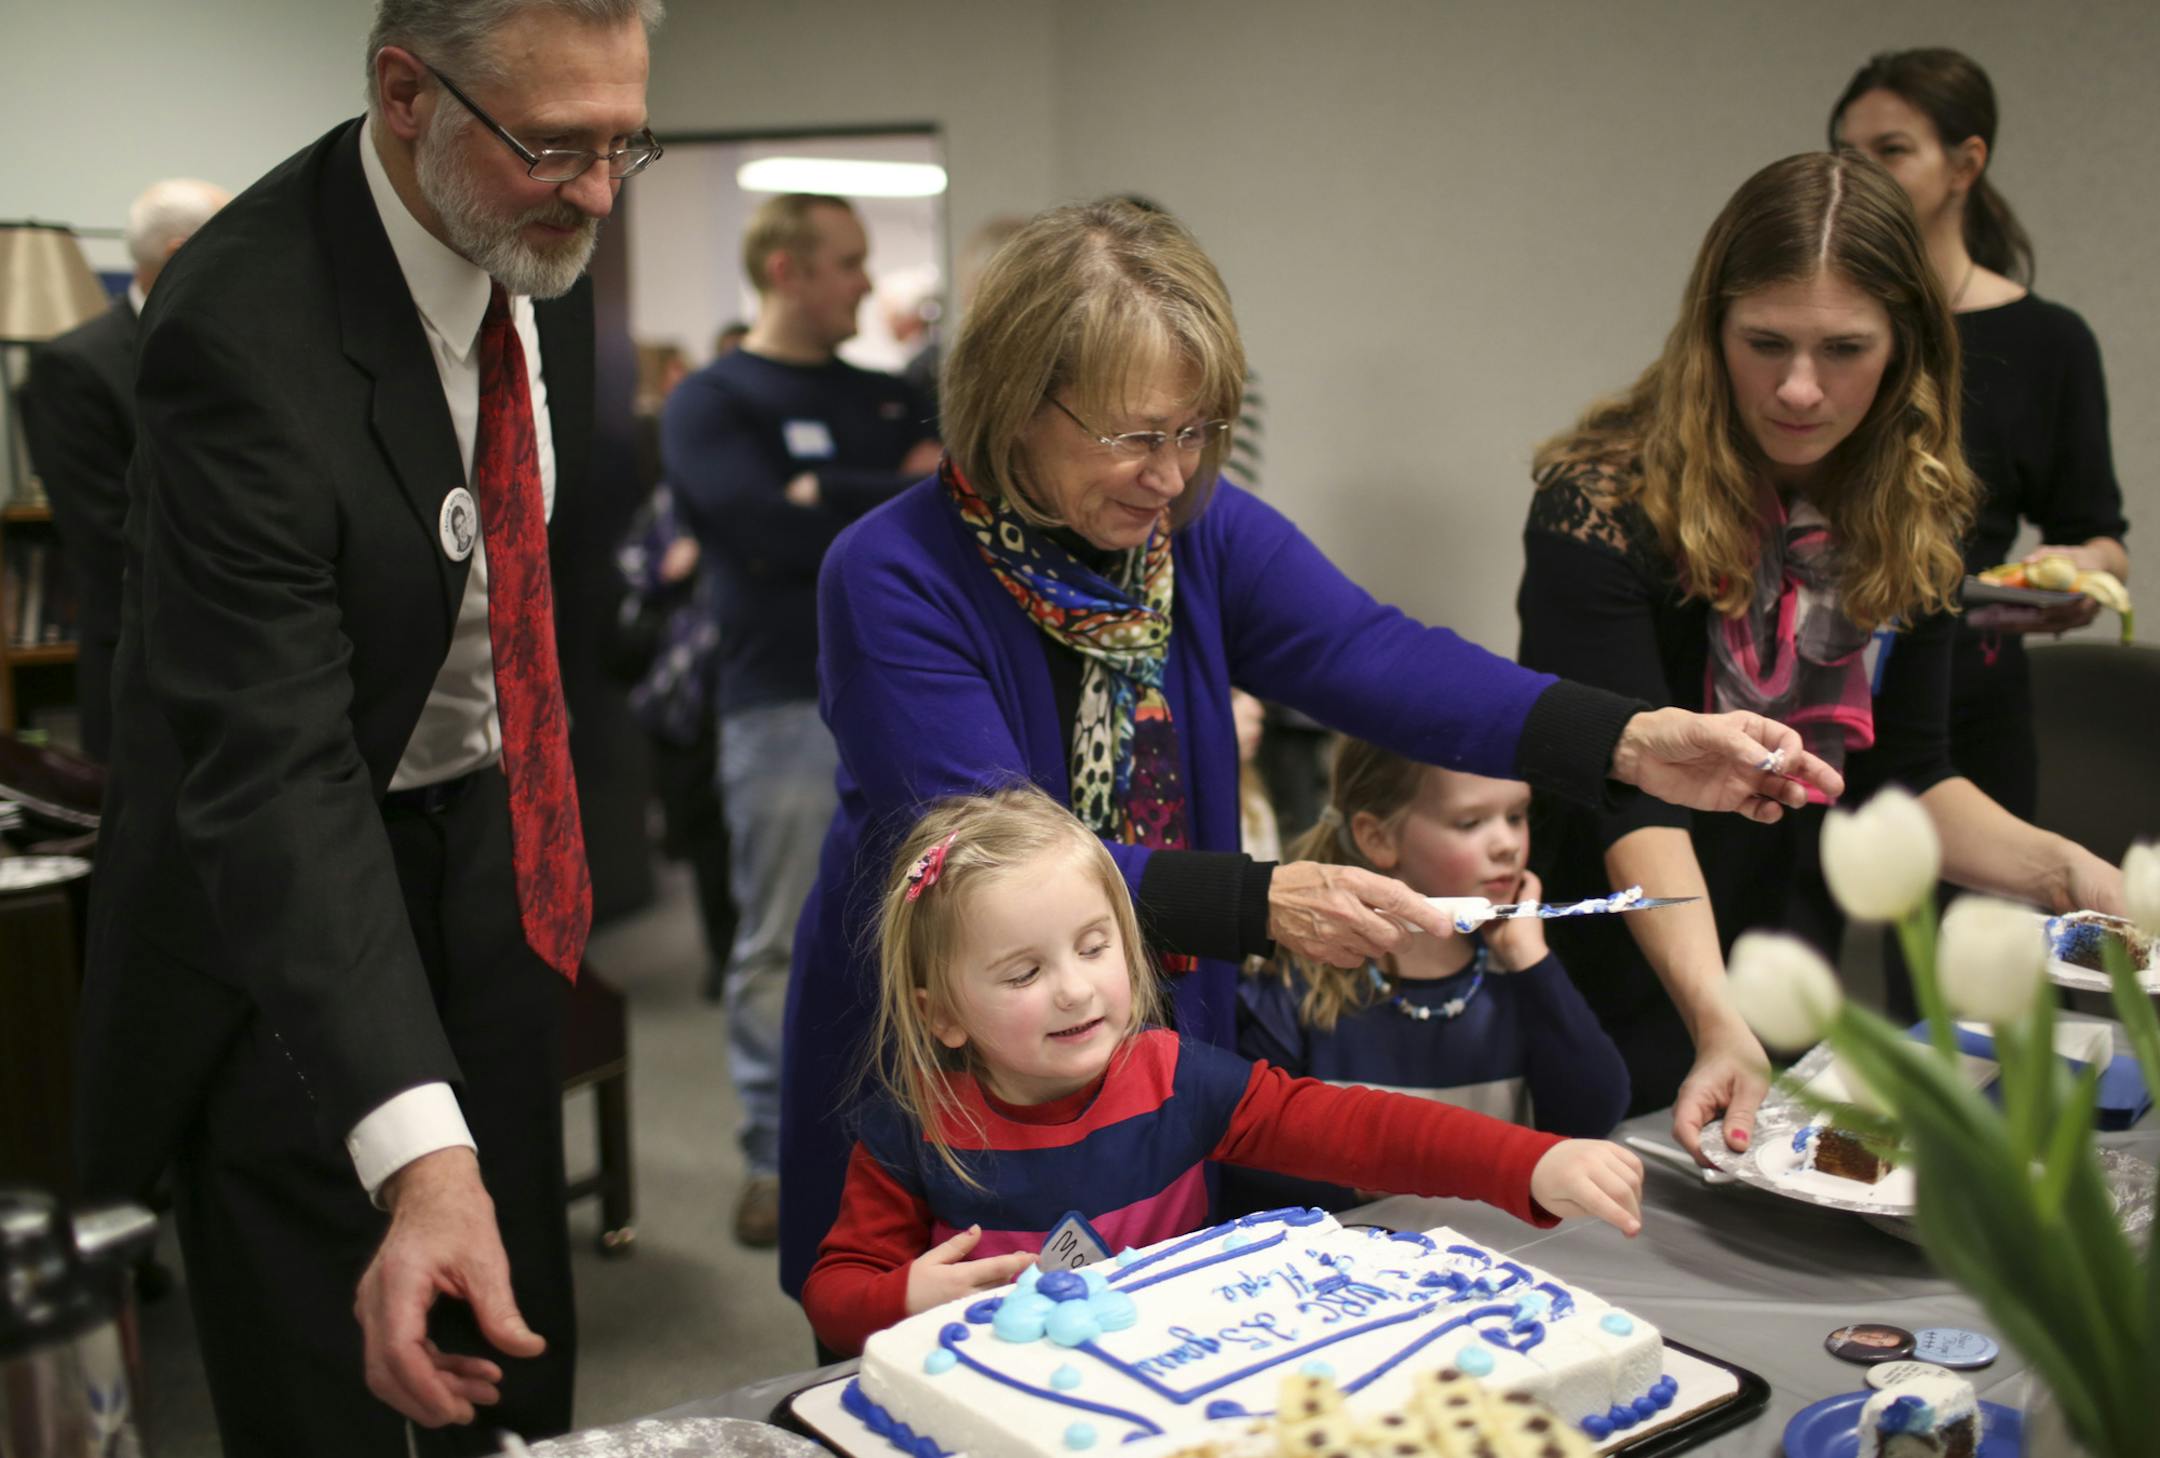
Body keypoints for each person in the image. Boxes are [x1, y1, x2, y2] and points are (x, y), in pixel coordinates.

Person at [778, 197, 1843, 1307]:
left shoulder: (1191, 531)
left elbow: (1374, 657)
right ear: (1010, 403)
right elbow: (997, 867)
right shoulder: (891, 573)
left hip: (1137, 1049)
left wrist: (1629, 739)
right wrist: (1262, 901)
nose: (1171, 475)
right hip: (951, 1060)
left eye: (1196, 433)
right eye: (1134, 436)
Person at [70, 2, 663, 1453]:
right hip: (279, 909)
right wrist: (411, 1148)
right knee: (328, 1379)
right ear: (407, 94)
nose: (595, 193)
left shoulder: (543, 246)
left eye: (622, 144)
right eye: (554, 147)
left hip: (491, 855)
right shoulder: (238, 329)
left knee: (509, 1347)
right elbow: (275, 767)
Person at [1516, 151, 2124, 1161]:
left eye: (1844, 349)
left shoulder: (1914, 503)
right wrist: (1714, 1013)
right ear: (1713, 332)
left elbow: (1906, 775)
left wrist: (2067, 872)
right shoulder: (1603, 503)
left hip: (1780, 935)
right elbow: (1630, 787)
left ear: (1905, 351)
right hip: (1624, 943)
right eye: (1766, 343)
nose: (1800, 388)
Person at [798, 787, 1646, 1356]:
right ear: (941, 1012)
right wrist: (903, 1295)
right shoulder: (913, 1132)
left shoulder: (1179, 1079)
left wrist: (1530, 1161)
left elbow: (1361, 1130)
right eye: (1022, 973)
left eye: (1096, 948)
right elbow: (833, 1292)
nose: (1073, 988)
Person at [661, 192, 941, 1247]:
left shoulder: (888, 396)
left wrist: (825, 484)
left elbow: (943, 506)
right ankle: (774, 1161)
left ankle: (913, 1152)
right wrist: (877, 487)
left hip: (901, 693)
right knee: (778, 940)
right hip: (778, 701)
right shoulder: (713, 398)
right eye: (849, 262)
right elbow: (757, 528)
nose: (867, 282)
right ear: (786, 268)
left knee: (922, 929)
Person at [1829, 49, 2130, 829]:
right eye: (1845, 156)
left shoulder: (2048, 340)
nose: (1862, 174)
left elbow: (2097, 534)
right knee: (1789, 942)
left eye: (1891, 151)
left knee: (1961, 945)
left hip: (1969, 697)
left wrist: (2074, 576)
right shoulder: (1817, 324)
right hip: (1811, 688)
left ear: (1966, 165)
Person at [1232, 739, 1631, 1212]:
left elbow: (1593, 1114)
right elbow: (1251, 1160)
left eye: (1517, 816)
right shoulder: (1295, 983)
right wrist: (1388, 1172)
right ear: (1377, 838)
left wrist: (1531, 960)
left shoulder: (1519, 969)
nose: (1507, 844)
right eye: (1471, 822)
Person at [19, 177, 230, 761]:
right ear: (179, 253)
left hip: (245, 660)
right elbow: (104, 535)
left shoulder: (240, 348)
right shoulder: (75, 367)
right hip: (144, 663)